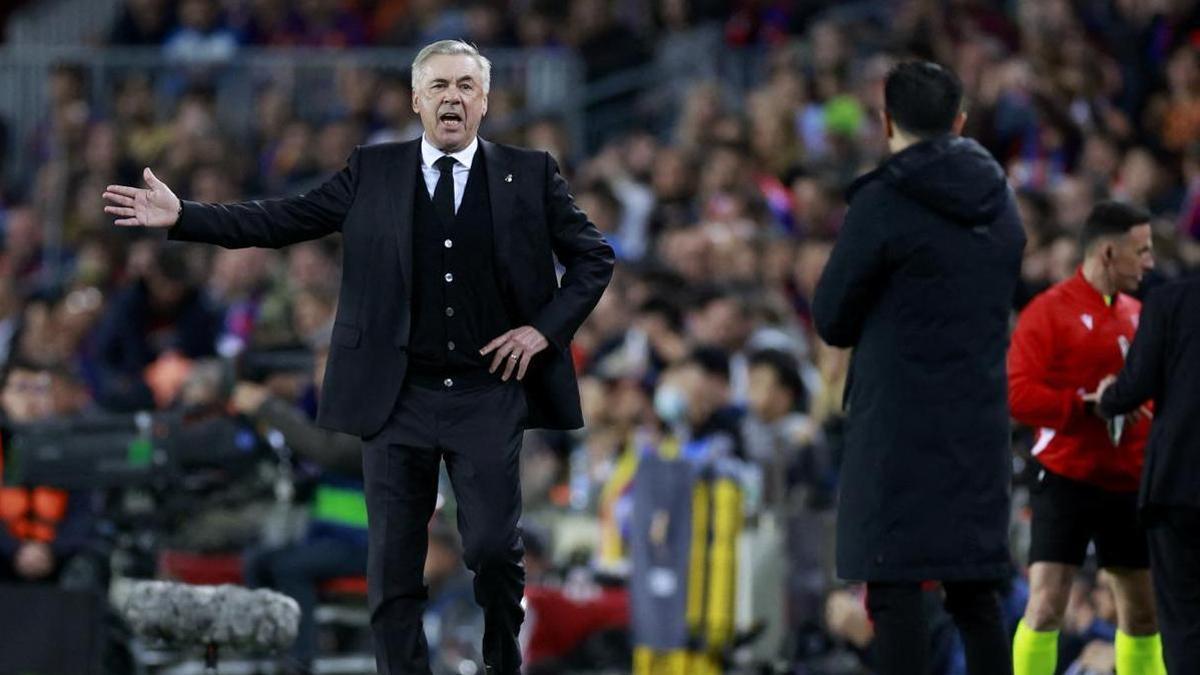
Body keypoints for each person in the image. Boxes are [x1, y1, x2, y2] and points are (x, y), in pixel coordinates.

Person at [102, 39, 615, 675]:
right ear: (415, 100)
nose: (451, 97)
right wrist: (187, 217)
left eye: (464, 85)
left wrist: (543, 330)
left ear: (484, 100)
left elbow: (596, 257)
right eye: (437, 86)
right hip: (397, 395)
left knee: (489, 548)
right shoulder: (374, 171)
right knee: (392, 564)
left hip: (487, 391)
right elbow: (282, 219)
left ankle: (500, 661)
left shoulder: (531, 173)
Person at [811, 60, 1025, 675]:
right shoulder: (1001, 204)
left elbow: (831, 316)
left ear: (886, 122)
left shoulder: (882, 203)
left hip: (896, 429)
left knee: (894, 587)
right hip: (976, 423)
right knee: (976, 592)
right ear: (959, 121)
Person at [1008, 201, 1165, 675]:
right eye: (1142, 251)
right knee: (1047, 602)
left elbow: (1164, 392)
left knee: (1141, 611)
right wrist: (1085, 407)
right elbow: (1018, 396)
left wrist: (1141, 407)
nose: (1151, 262)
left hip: (1129, 480)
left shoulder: (1144, 316)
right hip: (1065, 475)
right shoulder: (1047, 314)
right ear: (1109, 253)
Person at [1092, 275, 1200, 672]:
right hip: (1179, 488)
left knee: (1184, 620)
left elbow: (1134, 386)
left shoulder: (1172, 299)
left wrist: (1108, 398)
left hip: (1180, 485)